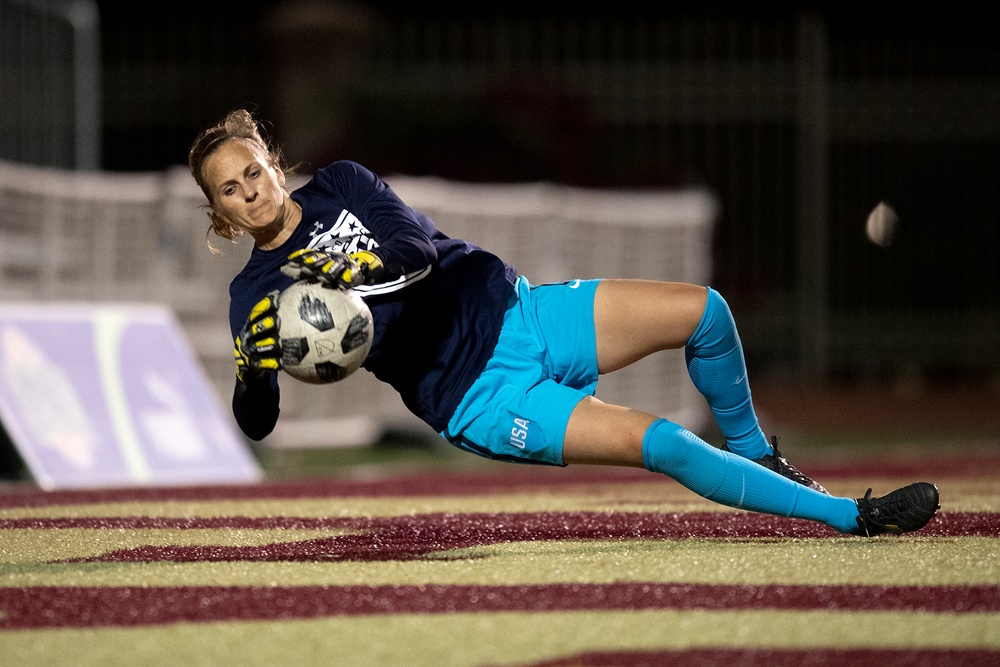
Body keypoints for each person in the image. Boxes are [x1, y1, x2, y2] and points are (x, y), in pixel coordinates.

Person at [188, 108, 940, 538]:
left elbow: (413, 246)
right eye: (231, 190)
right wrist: (254, 371)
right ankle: (852, 516)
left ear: (274, 163)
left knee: (706, 312)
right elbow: (256, 425)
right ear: (219, 214)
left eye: (253, 170)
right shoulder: (256, 294)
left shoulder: (344, 182)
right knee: (667, 441)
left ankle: (760, 458)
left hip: (523, 311)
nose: (251, 192)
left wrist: (359, 274)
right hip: (479, 396)